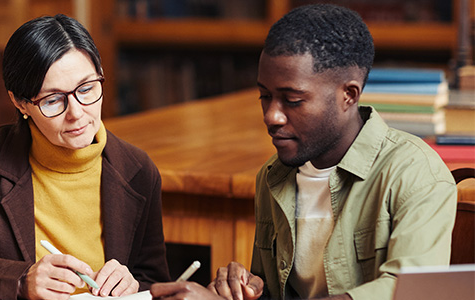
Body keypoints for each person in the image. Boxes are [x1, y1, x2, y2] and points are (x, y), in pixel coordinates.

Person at [151, 4, 457, 300]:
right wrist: (248, 289)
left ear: (348, 95)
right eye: (265, 96)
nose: (272, 116)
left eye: (292, 100)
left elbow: (409, 294)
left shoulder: (415, 173)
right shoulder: (273, 176)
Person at [0, 14, 170, 300]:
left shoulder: (138, 170)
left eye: (86, 89)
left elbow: (154, 280)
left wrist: (134, 284)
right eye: (53, 100)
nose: (76, 113)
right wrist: (20, 280)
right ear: (19, 102)